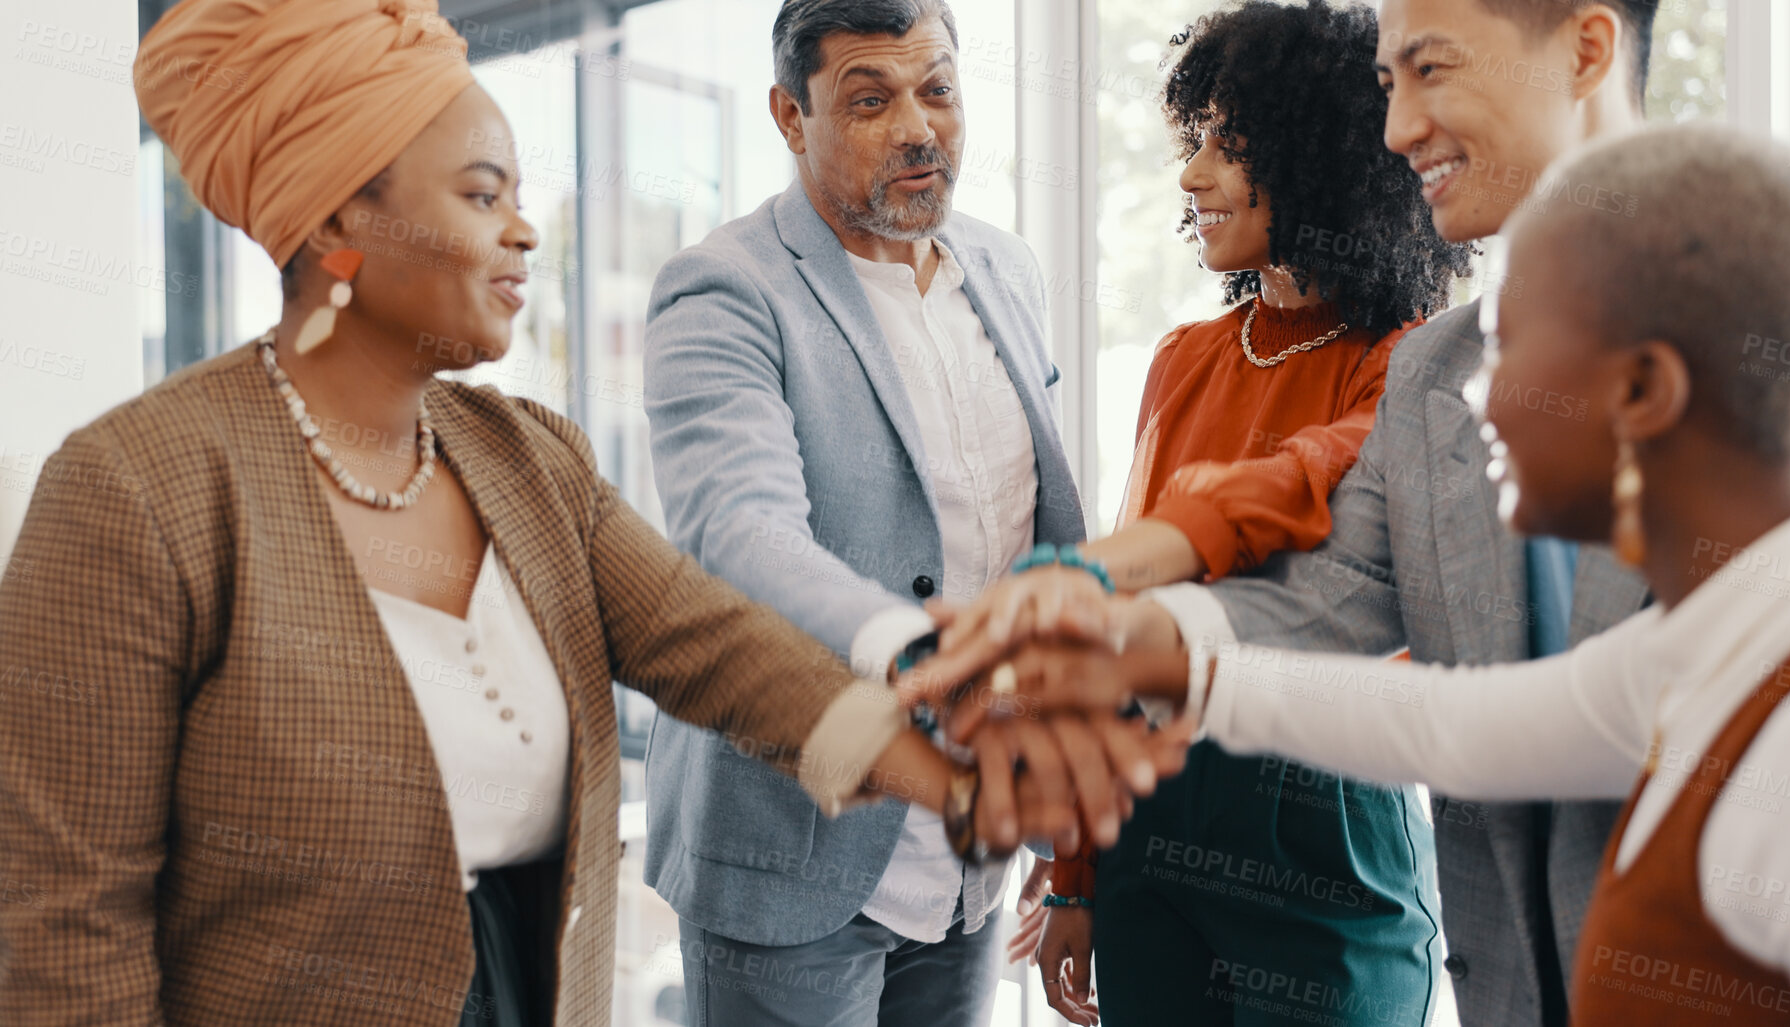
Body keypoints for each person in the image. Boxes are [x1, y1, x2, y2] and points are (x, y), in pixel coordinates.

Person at [0, 2, 1178, 1024]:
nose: (524, 230)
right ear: (334, 229)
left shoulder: (527, 460)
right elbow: (61, 928)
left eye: (519, 191)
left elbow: (716, 652)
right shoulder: (138, 491)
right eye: (480, 194)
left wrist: (960, 780)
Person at [913, 1, 1790, 1023]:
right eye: (1385, 84)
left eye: (1431, 68)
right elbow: (1433, 704)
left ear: (1586, 47)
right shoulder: (1435, 372)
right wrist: (1134, 644)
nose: (1398, 126)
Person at [946, 4, 1470, 1024]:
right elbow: (1117, 667)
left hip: (1325, 805)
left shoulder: (1412, 360)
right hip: (1157, 802)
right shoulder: (1184, 359)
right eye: (1196, 145)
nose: (1193, 179)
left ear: (1319, 159)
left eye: (1230, 149)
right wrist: (1076, 875)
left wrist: (1141, 553)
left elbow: (1314, 480)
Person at [635, 1, 1098, 1023]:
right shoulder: (724, 288)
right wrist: (911, 646)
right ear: (790, 117)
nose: (918, 127)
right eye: (870, 100)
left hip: (969, 845)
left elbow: (1038, 534)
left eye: (937, 89)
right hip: (794, 848)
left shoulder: (1006, 270)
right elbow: (739, 531)